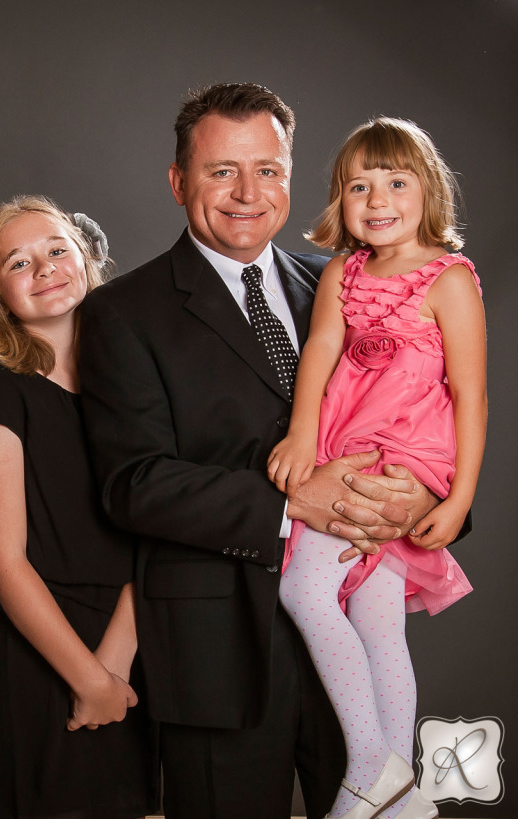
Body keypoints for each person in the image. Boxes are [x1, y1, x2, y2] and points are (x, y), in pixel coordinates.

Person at [79, 83, 451, 819]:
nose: (248, 192)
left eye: (269, 169)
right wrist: (288, 501)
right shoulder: (125, 312)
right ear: (179, 180)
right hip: (220, 659)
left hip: (354, 657)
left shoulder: (347, 287)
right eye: (222, 171)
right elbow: (135, 483)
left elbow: (431, 403)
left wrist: (428, 497)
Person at [268, 118, 485, 819]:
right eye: (360, 185)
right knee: (374, 617)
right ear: (340, 198)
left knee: (306, 591)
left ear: (428, 192)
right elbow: (321, 354)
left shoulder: (449, 280)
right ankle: (400, 798)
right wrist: (303, 436)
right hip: (341, 445)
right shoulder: (343, 271)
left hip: (405, 457)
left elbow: (471, 395)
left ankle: (370, 765)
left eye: (396, 182)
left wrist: (456, 498)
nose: (378, 198)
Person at [0, 195, 158, 819]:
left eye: (55, 250)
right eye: (18, 262)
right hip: (38, 655)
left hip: (126, 647)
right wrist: (89, 678)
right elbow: (2, 560)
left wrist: (116, 662)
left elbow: (154, 529)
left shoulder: (133, 385)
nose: (43, 268)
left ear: (85, 260)